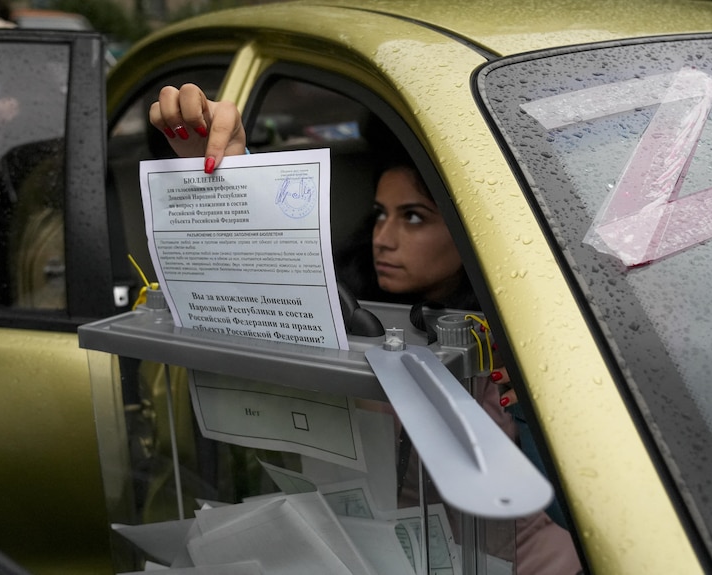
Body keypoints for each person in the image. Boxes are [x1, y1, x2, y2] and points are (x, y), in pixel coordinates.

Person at [149, 83, 582, 574]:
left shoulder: (531, 338)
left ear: (470, 232)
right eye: (380, 214)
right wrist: (230, 169)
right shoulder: (352, 313)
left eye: (414, 218)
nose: (384, 238)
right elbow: (277, 292)